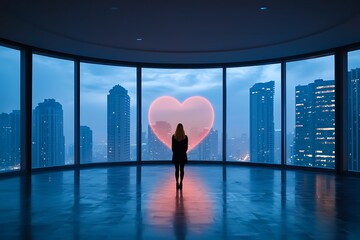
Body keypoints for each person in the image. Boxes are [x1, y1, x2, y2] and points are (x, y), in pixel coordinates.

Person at [172, 123, 188, 190]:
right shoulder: (185, 137)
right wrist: (183, 152)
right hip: (182, 155)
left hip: (176, 155)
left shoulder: (174, 137)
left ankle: (177, 183)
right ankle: (181, 182)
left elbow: (173, 147)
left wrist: (176, 152)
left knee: (176, 170)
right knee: (182, 170)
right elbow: (186, 148)